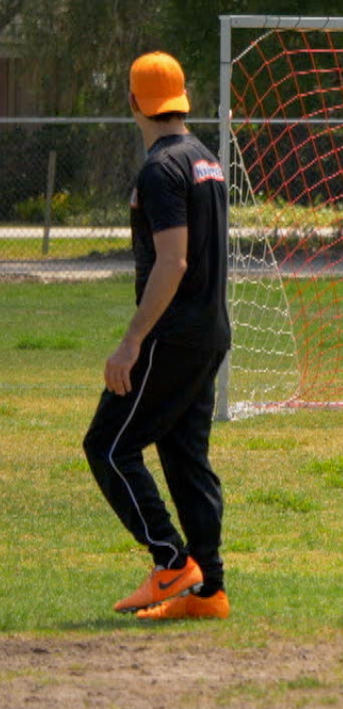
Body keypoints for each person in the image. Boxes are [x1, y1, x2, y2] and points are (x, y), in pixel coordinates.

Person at [83, 51, 231, 620]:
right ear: (182, 97)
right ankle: (209, 592)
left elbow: (172, 262)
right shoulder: (205, 160)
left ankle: (172, 562)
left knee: (109, 446)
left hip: (172, 335)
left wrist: (131, 341)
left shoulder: (160, 167)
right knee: (185, 458)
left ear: (133, 102)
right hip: (209, 332)